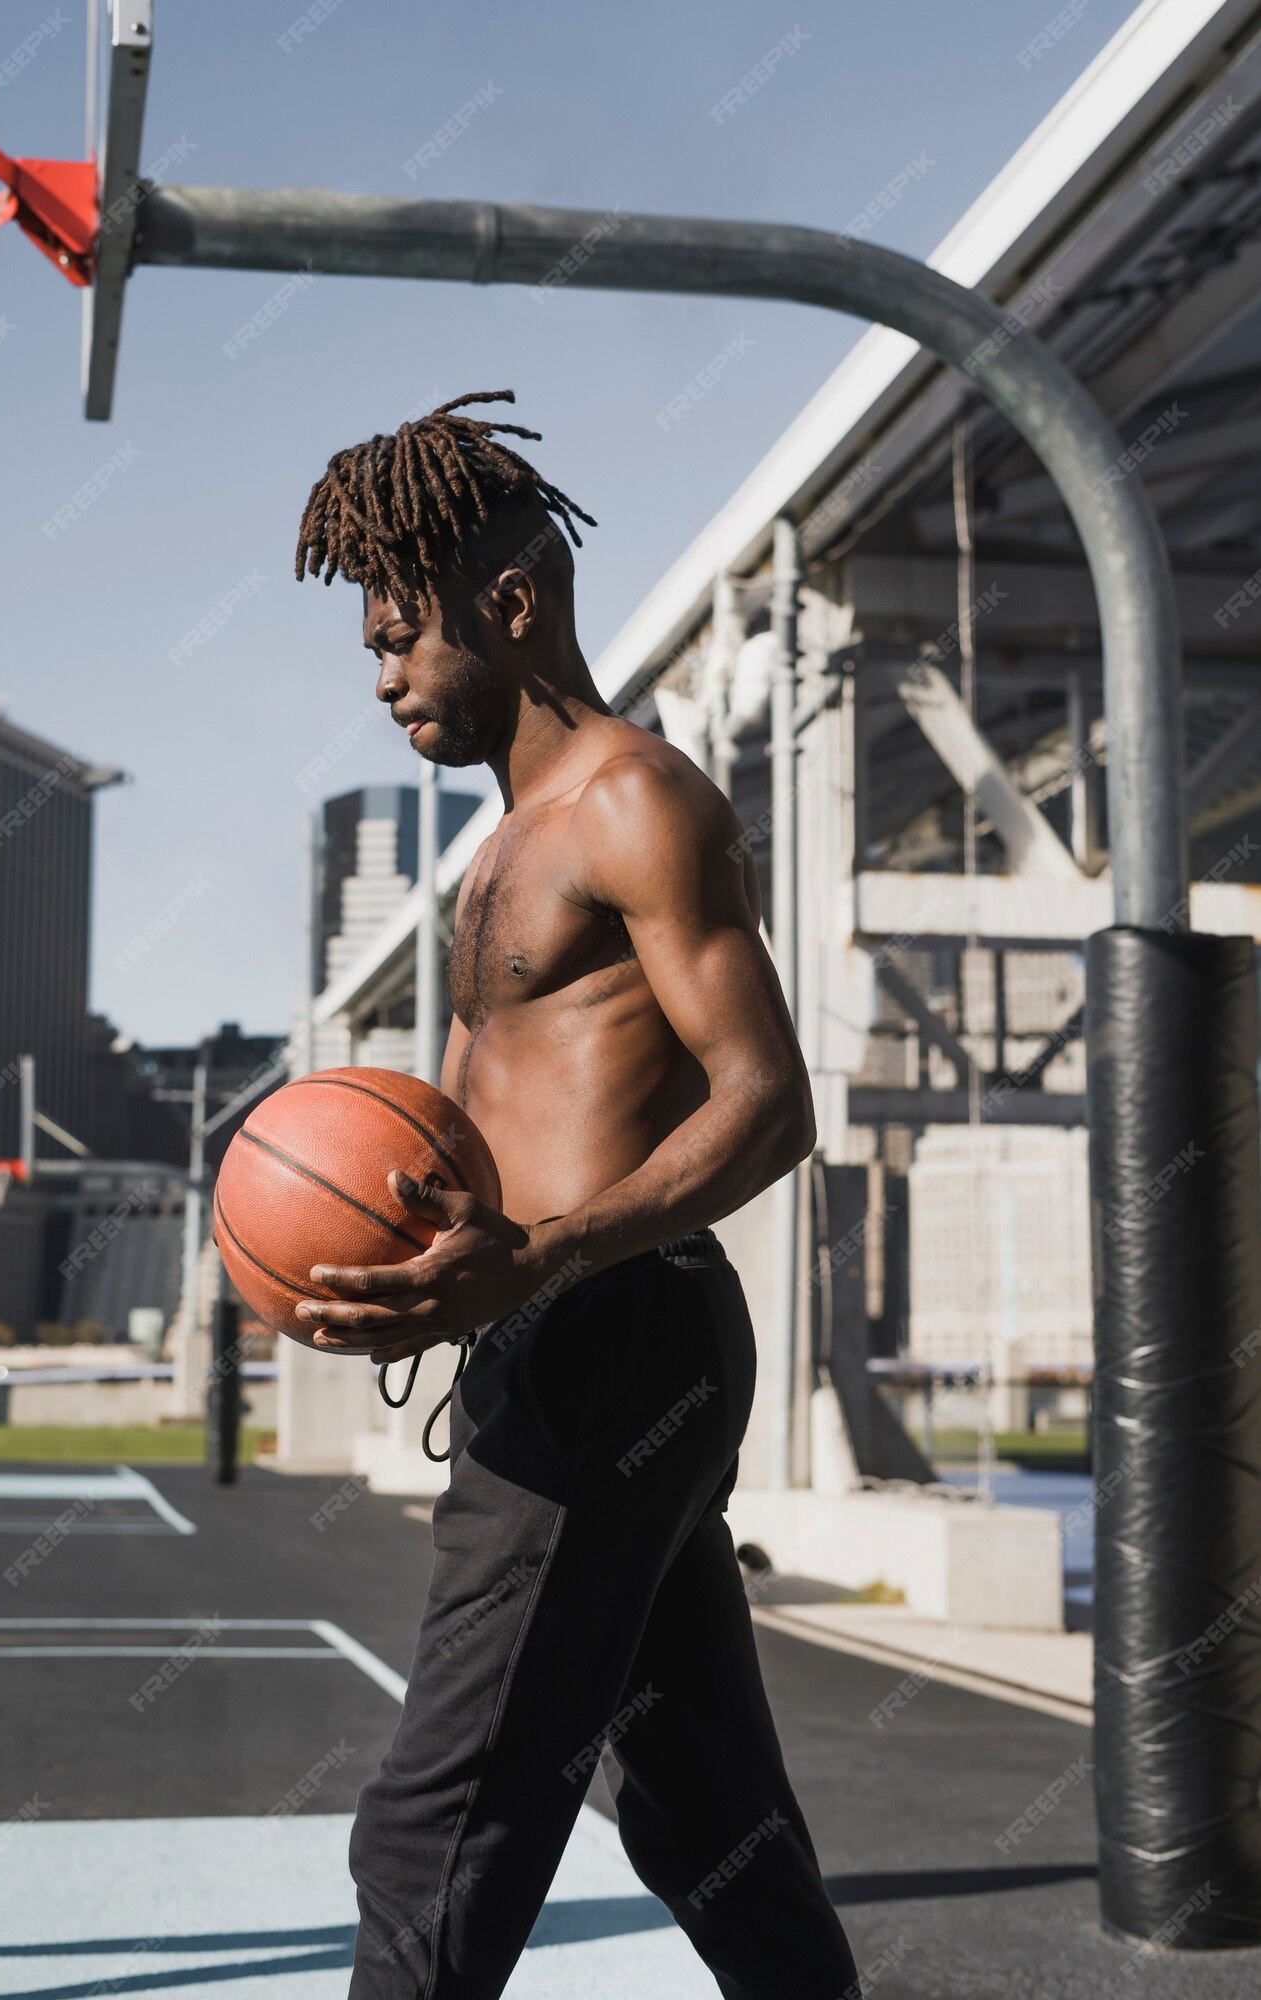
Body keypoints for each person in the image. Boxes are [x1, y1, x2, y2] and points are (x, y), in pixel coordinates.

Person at [293, 391, 859, 2000]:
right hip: (553, 1327)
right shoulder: (497, 846)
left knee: (438, 1822)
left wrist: (531, 1261)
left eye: (403, 634)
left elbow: (769, 1102)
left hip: (611, 1328)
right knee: (706, 1814)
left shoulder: (631, 802)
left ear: (513, 604)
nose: (385, 673)